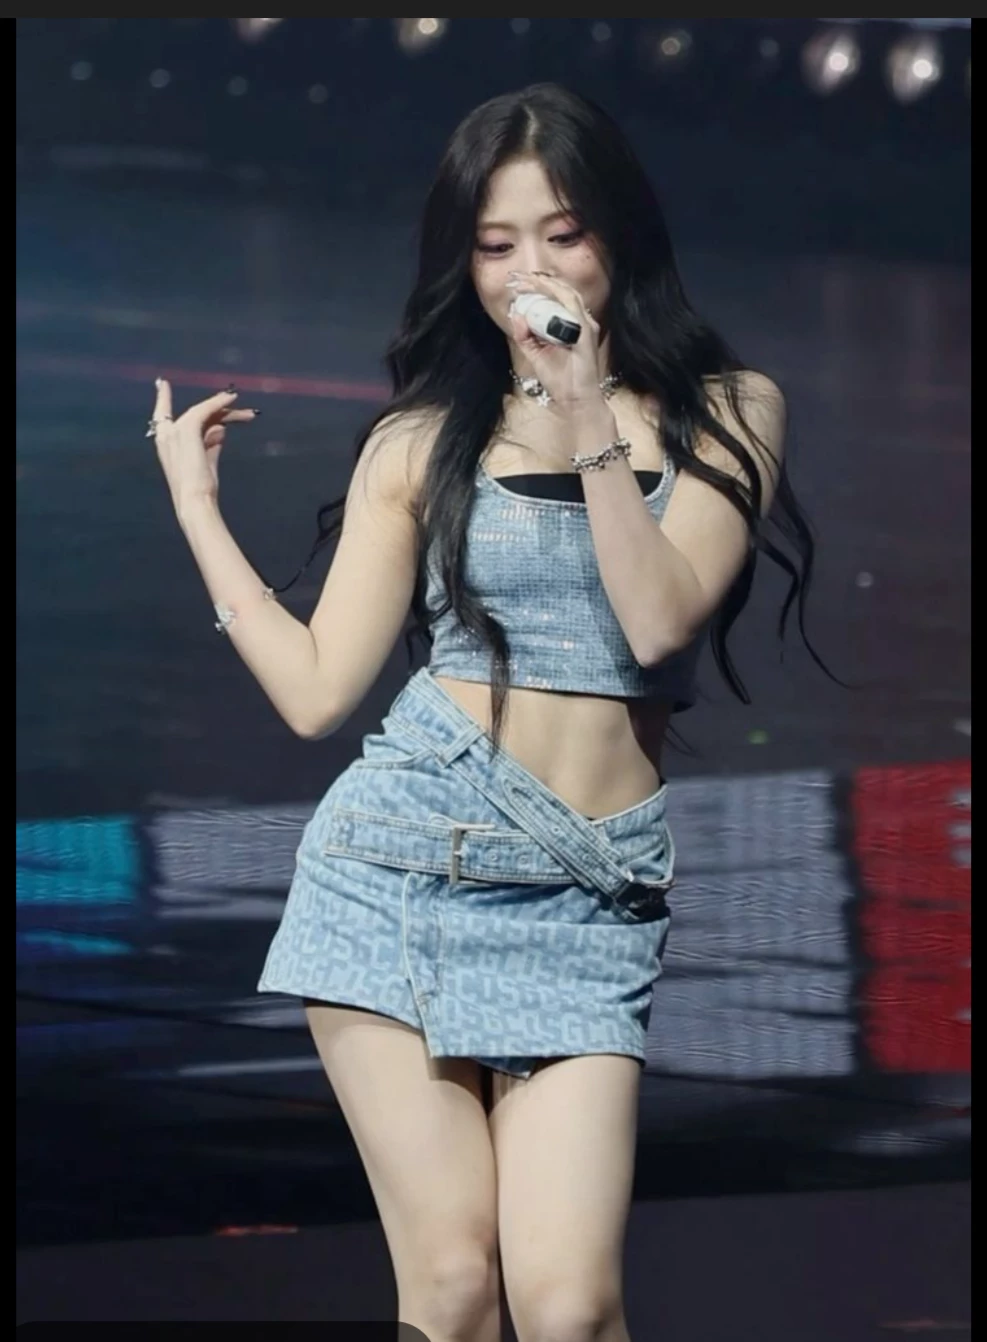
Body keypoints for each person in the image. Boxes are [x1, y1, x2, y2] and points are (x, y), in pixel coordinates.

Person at [149, 83, 826, 1342]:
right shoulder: (422, 441)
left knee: (569, 1306)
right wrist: (198, 510)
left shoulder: (731, 409)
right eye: (496, 244)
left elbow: (660, 620)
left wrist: (585, 412)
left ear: (618, 234)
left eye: (562, 234)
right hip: (399, 869)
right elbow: (316, 692)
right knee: (456, 1289)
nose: (531, 272)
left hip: (587, 894)